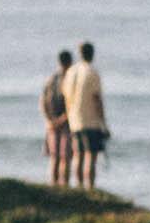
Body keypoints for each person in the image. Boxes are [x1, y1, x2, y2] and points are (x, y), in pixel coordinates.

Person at [60, 41, 109, 190]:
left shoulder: (70, 72)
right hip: (90, 120)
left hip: (74, 120)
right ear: (92, 54)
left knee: (78, 156)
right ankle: (90, 188)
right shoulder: (92, 72)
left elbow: (65, 96)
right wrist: (103, 123)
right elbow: (96, 99)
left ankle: (79, 187)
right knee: (90, 157)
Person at [38, 49, 74, 185]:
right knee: (65, 158)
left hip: (51, 123)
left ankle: (53, 185)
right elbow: (72, 104)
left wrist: (48, 120)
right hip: (66, 123)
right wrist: (61, 120)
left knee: (54, 158)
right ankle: (64, 186)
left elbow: (42, 102)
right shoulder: (70, 80)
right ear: (70, 62)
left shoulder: (51, 79)